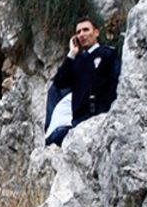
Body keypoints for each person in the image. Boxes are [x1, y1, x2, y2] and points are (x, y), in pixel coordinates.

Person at [45, 17, 120, 146]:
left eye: (85, 30)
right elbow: (59, 83)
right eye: (78, 32)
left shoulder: (108, 54)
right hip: (78, 121)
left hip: (101, 116)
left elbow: (116, 82)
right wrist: (71, 54)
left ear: (96, 32)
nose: (82, 34)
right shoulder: (76, 61)